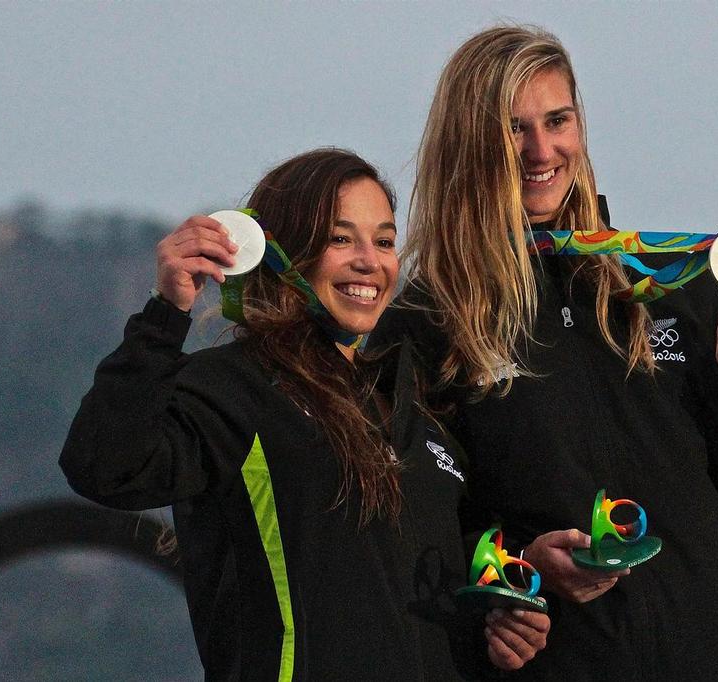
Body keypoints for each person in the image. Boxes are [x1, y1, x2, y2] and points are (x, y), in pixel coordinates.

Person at [370, 26, 718, 680]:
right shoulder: (427, 326)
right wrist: (522, 566)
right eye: (513, 128)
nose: (541, 150)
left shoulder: (659, 288)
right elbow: (405, 545)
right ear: (467, 141)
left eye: (557, 120)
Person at [59, 148, 549, 680]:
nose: (370, 260)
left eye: (384, 241)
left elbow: (434, 589)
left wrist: (498, 619)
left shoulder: (417, 406)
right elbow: (105, 466)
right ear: (280, 254)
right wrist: (164, 315)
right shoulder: (235, 387)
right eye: (341, 239)